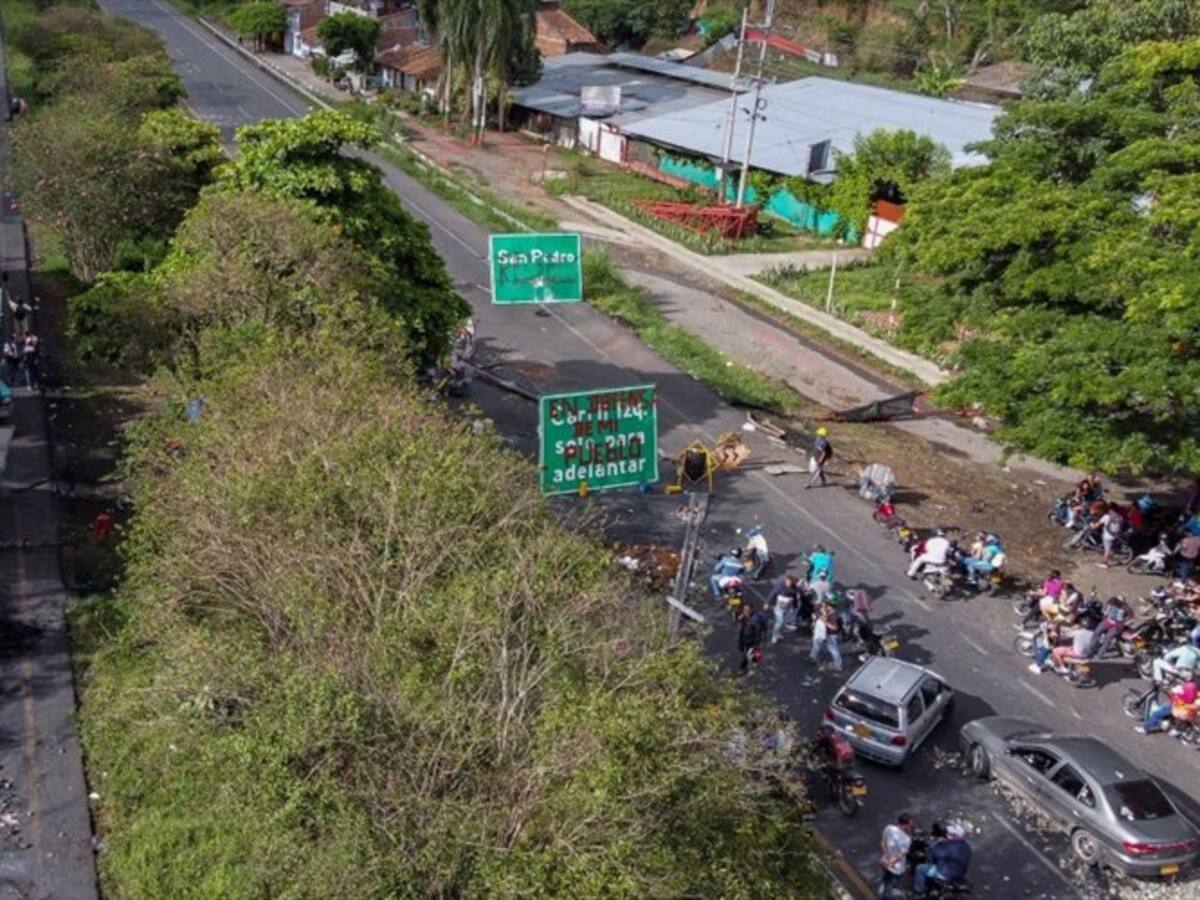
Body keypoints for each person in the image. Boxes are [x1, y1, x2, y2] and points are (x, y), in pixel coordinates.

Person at [914, 821, 971, 896]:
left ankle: (920, 890)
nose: (946, 835)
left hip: (946, 872)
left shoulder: (949, 847)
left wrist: (939, 843)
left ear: (953, 836)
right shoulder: (966, 846)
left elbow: (935, 856)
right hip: (960, 871)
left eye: (948, 834)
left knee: (920, 868)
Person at [877, 813, 913, 899]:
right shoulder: (906, 839)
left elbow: (883, 842)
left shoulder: (889, 828)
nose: (911, 826)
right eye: (910, 824)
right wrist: (890, 863)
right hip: (896, 868)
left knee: (885, 880)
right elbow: (900, 856)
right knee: (892, 888)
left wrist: (886, 857)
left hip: (885, 862)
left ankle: (881, 895)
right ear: (905, 824)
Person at [811, 600, 842, 672]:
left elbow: (834, 627)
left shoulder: (833, 615)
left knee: (833, 649)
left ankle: (837, 665)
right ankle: (814, 657)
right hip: (828, 634)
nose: (824, 607)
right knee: (824, 646)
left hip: (832, 635)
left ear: (830, 606)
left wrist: (825, 622)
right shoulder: (831, 613)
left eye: (826, 606)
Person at [737, 604, 765, 673]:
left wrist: (756, 645)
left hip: (750, 642)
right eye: (744, 610)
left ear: (751, 610)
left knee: (746, 655)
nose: (745, 612)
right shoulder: (745, 617)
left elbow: (758, 633)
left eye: (747, 610)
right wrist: (740, 619)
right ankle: (752, 663)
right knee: (747, 654)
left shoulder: (755, 621)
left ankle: (743, 667)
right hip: (744, 640)